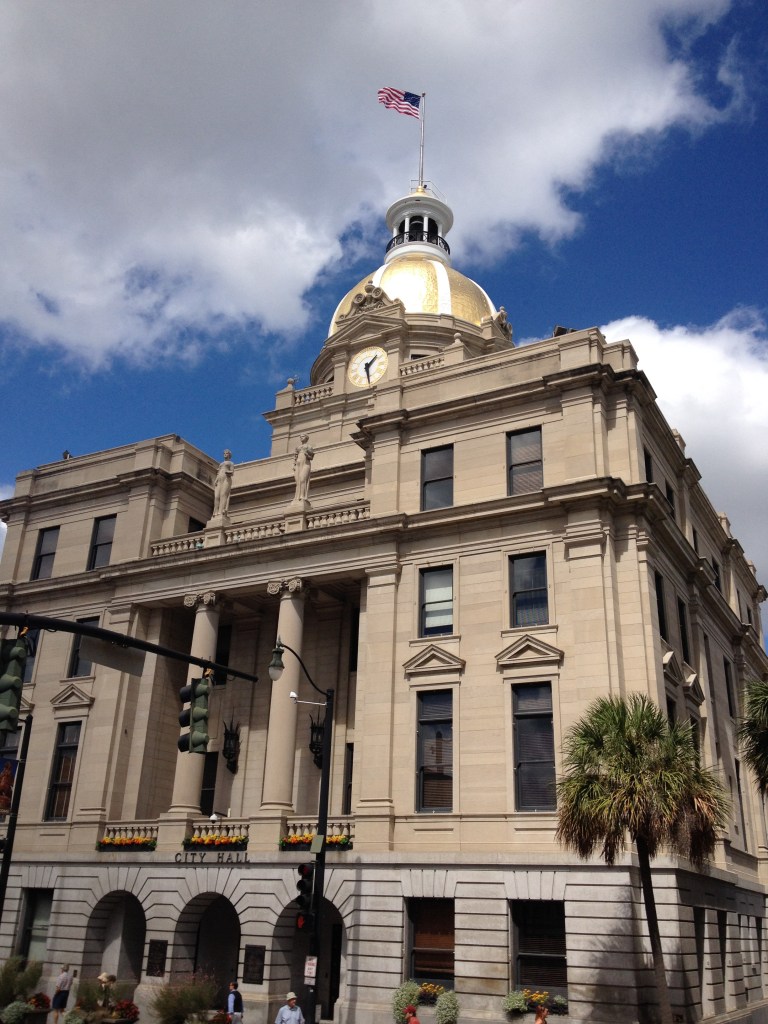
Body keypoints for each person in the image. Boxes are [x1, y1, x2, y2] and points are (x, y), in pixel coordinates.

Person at [292, 435, 314, 503]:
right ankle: (297, 497)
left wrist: (307, 455)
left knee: (302, 479)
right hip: (298, 465)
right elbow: (295, 457)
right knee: (298, 481)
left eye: (303, 436)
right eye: (300, 437)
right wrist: (294, 465)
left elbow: (311, 456)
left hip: (305, 464)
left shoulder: (309, 447)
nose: (301, 437)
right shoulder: (298, 448)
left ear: (306, 438)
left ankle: (303, 496)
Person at [213, 449, 234, 516]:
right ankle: (215, 511)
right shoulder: (221, 464)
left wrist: (228, 472)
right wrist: (216, 480)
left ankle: (221, 510)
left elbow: (232, 472)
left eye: (227, 453)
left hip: (226, 479)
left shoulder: (231, 463)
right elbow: (218, 473)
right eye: (224, 453)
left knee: (223, 495)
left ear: (229, 455)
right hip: (219, 479)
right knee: (217, 496)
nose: (225, 454)